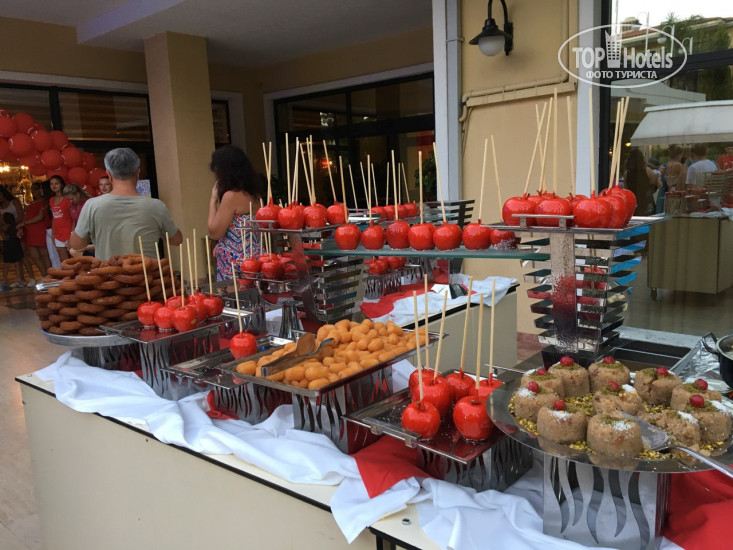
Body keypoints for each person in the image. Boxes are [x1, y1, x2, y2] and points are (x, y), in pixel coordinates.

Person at [68, 148, 182, 260]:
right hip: (147, 271)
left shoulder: (92, 205)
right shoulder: (157, 206)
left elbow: (77, 245)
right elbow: (176, 240)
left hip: (108, 271)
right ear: (138, 173)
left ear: (109, 175)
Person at [207, 145, 264, 280]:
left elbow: (214, 232)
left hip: (235, 263)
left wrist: (213, 201)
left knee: (235, 294)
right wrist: (223, 243)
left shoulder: (231, 196)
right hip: (254, 257)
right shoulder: (255, 194)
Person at [0, 185, 36, 286]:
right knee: (16, 257)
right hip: (9, 233)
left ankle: (32, 277)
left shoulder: (14, 202)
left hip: (19, 228)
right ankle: (20, 279)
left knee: (23, 254)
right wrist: (3, 233)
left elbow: (21, 215)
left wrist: (12, 226)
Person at [16, 181, 51, 278]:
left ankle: (50, 276)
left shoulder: (45, 202)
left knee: (44, 254)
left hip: (40, 229)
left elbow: (40, 217)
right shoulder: (31, 203)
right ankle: (44, 276)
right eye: (32, 189)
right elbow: (26, 216)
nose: (33, 191)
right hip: (30, 230)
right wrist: (21, 227)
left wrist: (23, 224)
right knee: (35, 255)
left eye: (35, 189)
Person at [623, 148, 660, 215]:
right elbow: (658, 185)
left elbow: (626, 189)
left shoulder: (627, 174)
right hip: (647, 203)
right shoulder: (647, 171)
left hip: (634, 203)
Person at [48, 175, 72, 262]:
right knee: (64, 262)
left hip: (69, 232)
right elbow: (54, 218)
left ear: (62, 185)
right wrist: (53, 234)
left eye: (56, 184)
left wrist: (72, 234)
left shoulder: (68, 199)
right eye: (51, 184)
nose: (54, 186)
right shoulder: (51, 200)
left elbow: (73, 217)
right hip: (58, 234)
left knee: (76, 260)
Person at [1, 213, 25, 290]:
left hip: (7, 246)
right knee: (17, 263)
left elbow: (3, 234)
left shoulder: (4, 227)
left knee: (6, 264)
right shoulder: (15, 226)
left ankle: (4, 280)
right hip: (15, 245)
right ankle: (19, 279)